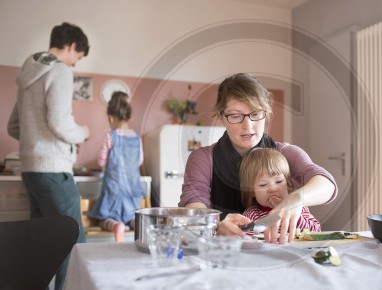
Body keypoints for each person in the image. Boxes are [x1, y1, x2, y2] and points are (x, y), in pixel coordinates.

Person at [179, 72, 337, 244]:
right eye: (236, 116)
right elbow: (194, 207)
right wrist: (215, 224)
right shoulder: (202, 159)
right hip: (223, 253)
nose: (248, 126)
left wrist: (295, 199)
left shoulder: (285, 153)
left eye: (255, 114)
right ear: (221, 117)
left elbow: (326, 185)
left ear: (266, 113)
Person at [7, 22, 90, 290]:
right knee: (74, 241)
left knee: (39, 244)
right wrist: (82, 133)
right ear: (72, 46)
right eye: (77, 58)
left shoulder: (27, 72)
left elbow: (14, 127)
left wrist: (42, 140)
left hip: (31, 170)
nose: (75, 65)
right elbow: (59, 122)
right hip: (53, 172)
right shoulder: (60, 71)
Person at [88, 91, 145, 242]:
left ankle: (115, 226)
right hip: (132, 190)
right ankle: (136, 224)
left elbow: (101, 161)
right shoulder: (137, 138)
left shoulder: (110, 135)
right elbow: (139, 161)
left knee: (104, 217)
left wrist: (104, 165)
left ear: (110, 118)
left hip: (113, 188)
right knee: (131, 216)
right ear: (129, 117)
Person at [240, 148, 321, 236]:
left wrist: (295, 218)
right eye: (263, 185)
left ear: (287, 183)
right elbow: (245, 237)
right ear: (252, 191)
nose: (272, 189)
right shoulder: (252, 214)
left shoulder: (298, 207)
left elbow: (316, 231)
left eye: (278, 182)